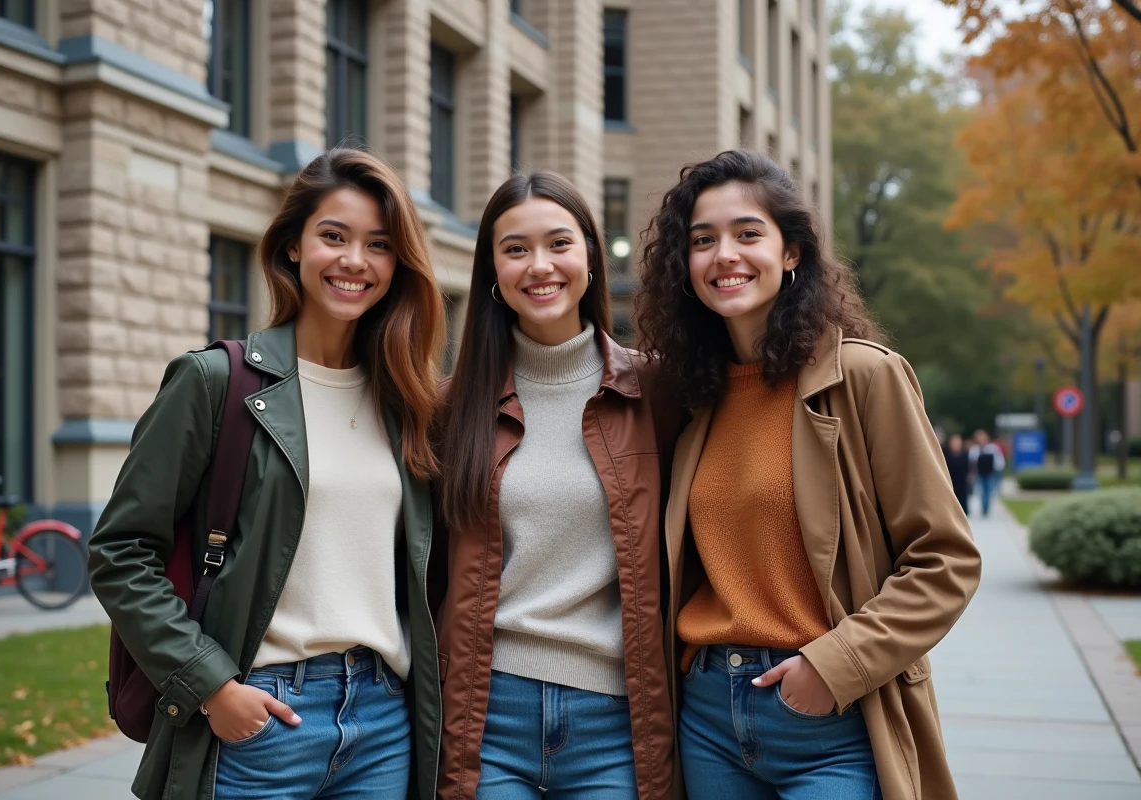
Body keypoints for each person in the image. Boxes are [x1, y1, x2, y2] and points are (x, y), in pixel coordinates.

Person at [89, 147, 446, 800]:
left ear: (399, 265)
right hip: (261, 717)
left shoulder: (410, 403)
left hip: (383, 720)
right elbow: (120, 551)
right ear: (291, 247)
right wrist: (212, 687)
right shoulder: (214, 381)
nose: (354, 261)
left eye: (379, 245)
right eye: (333, 236)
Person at [632, 149, 982, 800]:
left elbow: (946, 560)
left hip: (832, 718)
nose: (723, 255)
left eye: (747, 233)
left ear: (791, 253)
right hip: (707, 716)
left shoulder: (865, 378)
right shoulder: (689, 397)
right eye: (702, 241)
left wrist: (834, 665)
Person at [433, 171, 676, 800]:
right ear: (492, 269)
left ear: (591, 257)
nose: (539, 265)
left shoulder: (656, 394)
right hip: (490, 717)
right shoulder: (450, 409)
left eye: (559, 244)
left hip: (615, 722)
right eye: (515, 249)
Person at [969, 429, 1005, 517]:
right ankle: (983, 507)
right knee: (981, 491)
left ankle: (986, 509)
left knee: (988, 491)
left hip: (990, 473)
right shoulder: (975, 449)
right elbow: (971, 462)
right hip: (979, 474)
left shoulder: (992, 448)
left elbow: (999, 461)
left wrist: (997, 470)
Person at [944, 434, 971, 514]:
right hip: (951, 480)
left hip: (962, 481)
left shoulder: (965, 455)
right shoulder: (947, 456)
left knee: (962, 497)